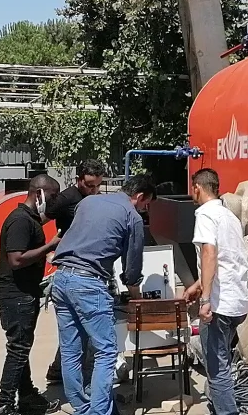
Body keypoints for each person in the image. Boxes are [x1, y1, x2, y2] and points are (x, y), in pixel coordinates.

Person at [50, 174, 156, 415]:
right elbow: (132, 269)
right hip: (89, 283)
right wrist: (136, 296)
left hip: (62, 278)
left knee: (70, 350)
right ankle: (98, 412)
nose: (145, 209)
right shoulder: (133, 217)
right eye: (146, 204)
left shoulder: (88, 202)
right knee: (107, 352)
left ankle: (82, 407)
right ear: (139, 196)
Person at [182, 168, 248, 415]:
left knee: (217, 365)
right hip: (238, 301)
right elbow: (228, 260)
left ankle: (226, 411)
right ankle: (219, 404)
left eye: (193, 188)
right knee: (221, 359)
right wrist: (197, 285)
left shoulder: (205, 214)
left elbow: (210, 253)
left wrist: (205, 299)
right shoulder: (229, 216)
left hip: (220, 305)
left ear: (197, 187)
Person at [0, 174, 62, 415]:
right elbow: (16, 259)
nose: (53, 203)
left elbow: (38, 223)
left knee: (21, 347)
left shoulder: (29, 218)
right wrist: (50, 246)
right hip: (16, 294)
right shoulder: (20, 221)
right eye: (52, 197)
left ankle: (27, 396)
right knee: (18, 349)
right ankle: (4, 403)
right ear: (39, 194)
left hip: (24, 292)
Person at [44, 159, 106, 385]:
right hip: (71, 268)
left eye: (98, 185)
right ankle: (83, 382)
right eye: (90, 185)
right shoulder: (66, 199)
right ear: (79, 180)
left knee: (77, 329)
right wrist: (48, 250)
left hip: (90, 264)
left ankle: (58, 370)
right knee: (82, 328)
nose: (94, 190)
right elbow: (39, 220)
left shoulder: (96, 199)